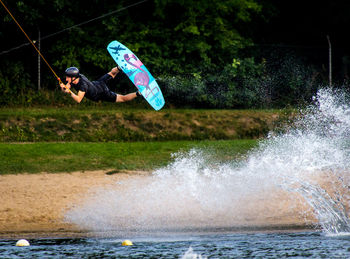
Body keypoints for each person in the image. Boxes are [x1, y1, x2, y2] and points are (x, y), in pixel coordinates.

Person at [59, 66, 141, 103]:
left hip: (102, 93)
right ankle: (119, 68)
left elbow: (78, 100)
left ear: (73, 77)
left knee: (122, 98)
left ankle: (139, 93)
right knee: (112, 73)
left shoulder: (82, 86)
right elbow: (66, 88)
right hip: (99, 83)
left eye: (68, 77)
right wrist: (63, 88)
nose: (66, 79)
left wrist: (68, 91)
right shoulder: (76, 77)